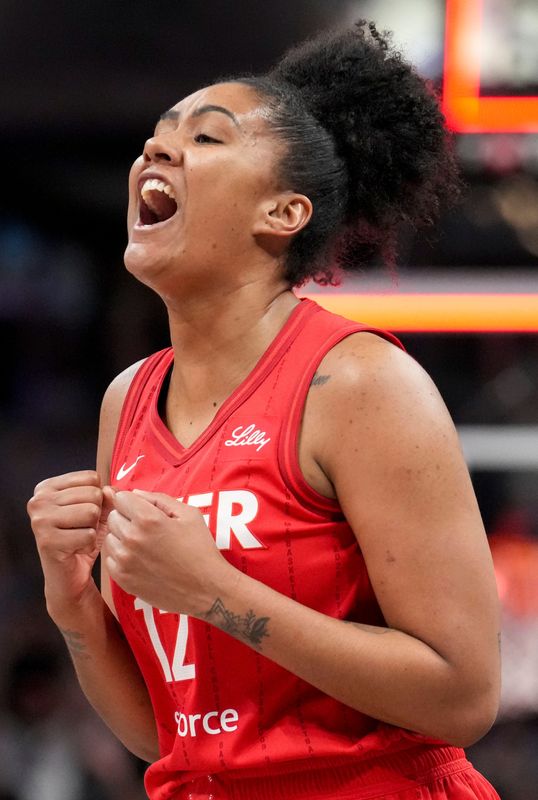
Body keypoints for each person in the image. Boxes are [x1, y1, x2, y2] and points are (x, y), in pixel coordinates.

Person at [27, 20, 501, 800]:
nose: (157, 152)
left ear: (284, 213)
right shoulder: (129, 398)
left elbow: (464, 697)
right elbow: (168, 732)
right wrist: (75, 611)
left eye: (207, 138)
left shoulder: (357, 383)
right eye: (154, 139)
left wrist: (215, 591)